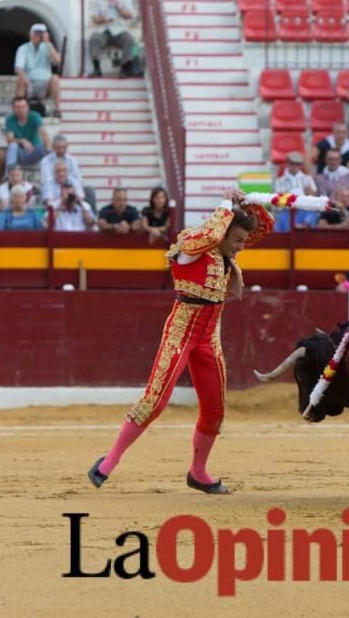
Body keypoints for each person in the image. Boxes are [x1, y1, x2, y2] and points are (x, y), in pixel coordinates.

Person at [88, 189, 273, 494]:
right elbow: (214, 231)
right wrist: (226, 203)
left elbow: (264, 228)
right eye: (237, 241)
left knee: (215, 410)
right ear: (223, 231)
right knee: (155, 402)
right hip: (180, 333)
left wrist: (246, 203)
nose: (241, 247)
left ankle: (198, 473)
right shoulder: (192, 244)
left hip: (208, 339)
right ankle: (109, 460)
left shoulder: (224, 247)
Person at [88, 0, 139, 78]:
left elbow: (130, 15)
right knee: (94, 38)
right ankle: (97, 69)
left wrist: (119, 8)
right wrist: (103, 19)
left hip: (119, 30)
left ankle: (125, 68)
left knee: (130, 39)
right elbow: (94, 18)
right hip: (104, 30)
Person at [14, 23, 62, 119]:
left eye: (41, 33)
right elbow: (18, 68)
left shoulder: (48, 47)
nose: (38, 36)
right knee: (20, 79)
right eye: (36, 33)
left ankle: (57, 110)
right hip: (29, 83)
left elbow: (57, 61)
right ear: (31, 35)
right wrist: (25, 79)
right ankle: (17, 109)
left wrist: (48, 43)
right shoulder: (23, 48)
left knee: (55, 78)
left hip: (45, 85)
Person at [273, 151, 318, 231]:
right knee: (281, 219)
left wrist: (309, 195)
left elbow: (314, 198)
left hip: (305, 210)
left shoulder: (307, 178)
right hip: (287, 211)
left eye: (297, 164)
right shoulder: (279, 181)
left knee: (312, 214)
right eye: (292, 163)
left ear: (300, 165)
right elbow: (279, 200)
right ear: (287, 163)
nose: (294, 166)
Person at [4, 96, 51, 170]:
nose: (21, 109)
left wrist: (48, 149)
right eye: (18, 107)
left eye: (23, 106)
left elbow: (43, 133)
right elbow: (9, 139)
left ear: (28, 107)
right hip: (20, 153)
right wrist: (22, 141)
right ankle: (9, 175)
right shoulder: (10, 119)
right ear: (13, 109)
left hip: (35, 150)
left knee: (47, 148)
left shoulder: (35, 116)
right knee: (12, 146)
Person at [316, 149, 349, 214]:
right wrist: (336, 208)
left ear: (340, 160)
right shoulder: (321, 178)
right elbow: (324, 198)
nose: (333, 162)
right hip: (332, 210)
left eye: (336, 159)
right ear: (326, 160)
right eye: (330, 159)